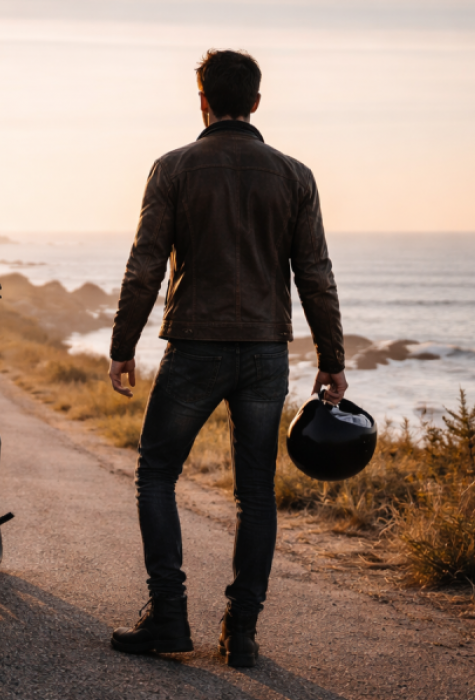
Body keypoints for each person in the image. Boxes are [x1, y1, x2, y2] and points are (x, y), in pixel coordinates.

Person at [107, 49, 346, 667]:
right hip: (266, 352)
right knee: (256, 493)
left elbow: (145, 264)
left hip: (195, 347)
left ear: (203, 101)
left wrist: (123, 345)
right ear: (257, 102)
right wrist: (331, 357)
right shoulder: (295, 175)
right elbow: (315, 272)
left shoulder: (173, 168)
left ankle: (168, 615)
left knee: (157, 474)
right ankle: (241, 632)